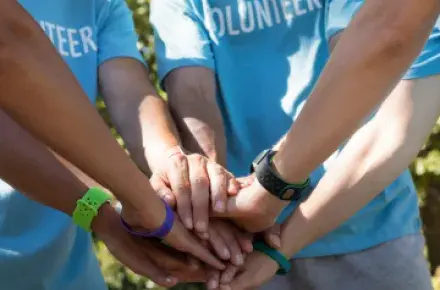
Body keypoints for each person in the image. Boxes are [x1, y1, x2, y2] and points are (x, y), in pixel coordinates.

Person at [150, 0, 440, 289]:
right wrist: (211, 193)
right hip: (244, 239)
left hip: (366, 219)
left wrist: (270, 204)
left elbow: (378, 51)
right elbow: (191, 91)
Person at [0, 0, 257, 288]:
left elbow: (132, 96)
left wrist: (175, 168)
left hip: (63, 269)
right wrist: (133, 205)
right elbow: (8, 44)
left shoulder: (101, 6)